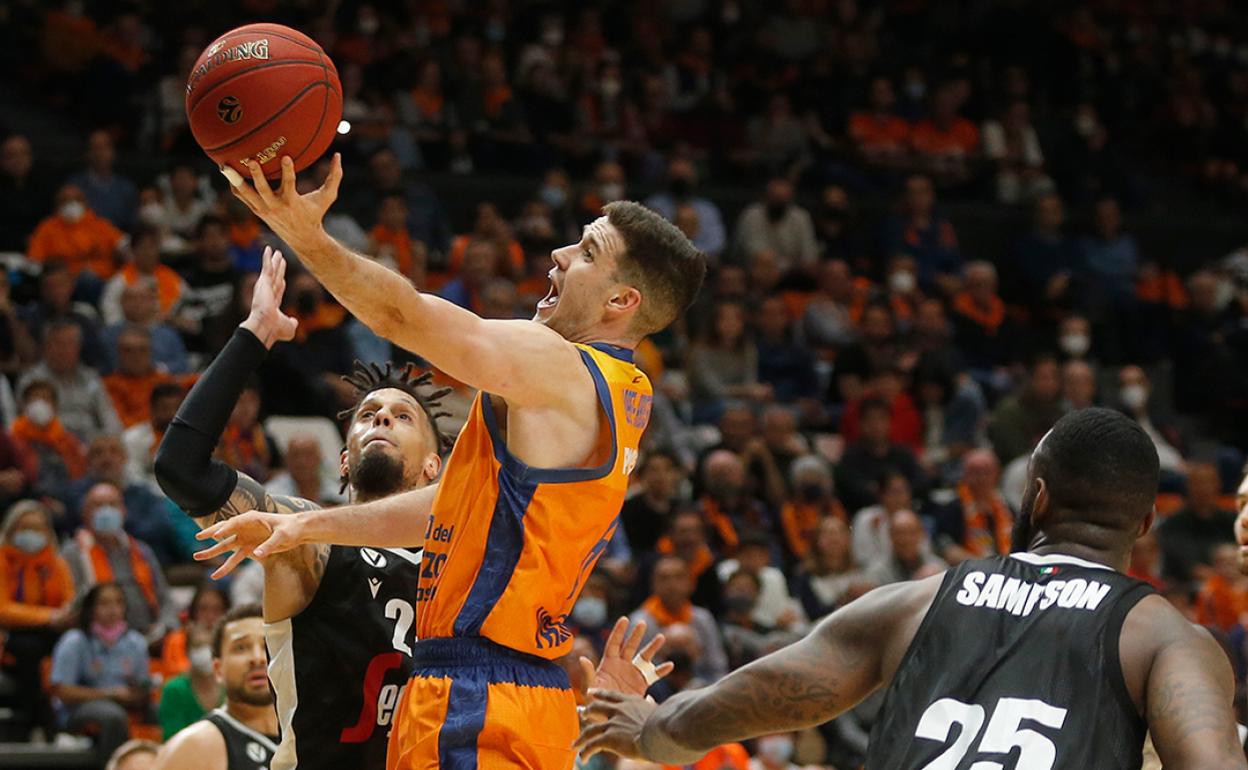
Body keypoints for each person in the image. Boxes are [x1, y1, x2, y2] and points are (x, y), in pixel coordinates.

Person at [199, 154, 706, 770]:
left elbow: (402, 315)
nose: (560, 256)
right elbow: (454, 509)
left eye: (588, 252)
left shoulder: (561, 367)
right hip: (523, 694)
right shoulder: (627, 394)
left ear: (622, 300)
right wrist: (304, 525)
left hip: (474, 697)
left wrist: (305, 233)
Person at [576, 409, 1248, 768]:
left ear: (1036, 499)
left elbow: (759, 696)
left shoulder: (919, 600)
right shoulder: (1167, 637)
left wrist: (651, 729)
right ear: (1147, 522)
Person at [155, 249, 450, 770]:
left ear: (434, 466)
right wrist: (254, 336)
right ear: (344, 458)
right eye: (367, 415)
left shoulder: (461, 559)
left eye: (402, 415)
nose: (380, 418)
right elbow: (182, 468)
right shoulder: (308, 538)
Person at [154, 604, 280, 770]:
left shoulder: (312, 733)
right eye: (241, 647)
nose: (258, 658)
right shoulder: (194, 747)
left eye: (268, 646)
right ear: (218, 669)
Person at [49, 582, 152, 763]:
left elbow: (142, 685)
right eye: (104, 603)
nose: (112, 610)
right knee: (112, 716)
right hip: (79, 709)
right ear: (91, 608)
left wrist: (138, 694)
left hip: (125, 703)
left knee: (162, 709)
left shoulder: (136, 642)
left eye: (118, 603)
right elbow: (62, 691)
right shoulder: (75, 641)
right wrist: (110, 694)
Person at [62, 482, 175, 639]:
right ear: (85, 513)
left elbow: (165, 599)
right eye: (98, 505)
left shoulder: (141, 550)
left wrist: (164, 628)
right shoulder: (73, 553)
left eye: (112, 505)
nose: (106, 511)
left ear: (123, 511)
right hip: (98, 639)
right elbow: (71, 606)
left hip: (150, 634)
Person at [0, 499, 74, 736]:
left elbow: (69, 601)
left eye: (37, 528)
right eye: (24, 528)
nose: (31, 534)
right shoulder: (2, 561)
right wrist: (49, 616)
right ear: (11, 531)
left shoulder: (56, 563)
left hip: (50, 632)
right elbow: (3, 610)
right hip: (10, 634)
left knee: (72, 642)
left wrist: (63, 616)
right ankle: (40, 721)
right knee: (29, 647)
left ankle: (62, 717)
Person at [630, 555, 728, 684]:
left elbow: (717, 666)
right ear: (653, 584)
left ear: (691, 583)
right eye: (664, 578)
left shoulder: (703, 619)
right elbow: (634, 671)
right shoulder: (640, 622)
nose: (672, 585)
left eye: (679, 577)